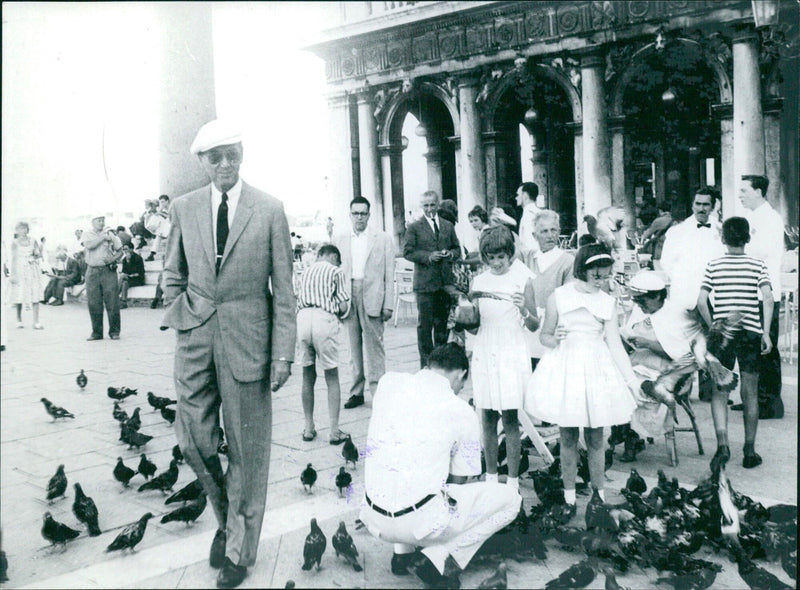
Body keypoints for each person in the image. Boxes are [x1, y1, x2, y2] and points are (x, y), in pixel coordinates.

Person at [161, 119, 296, 589]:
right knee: (193, 440)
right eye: (215, 156)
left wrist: (282, 354)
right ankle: (226, 521)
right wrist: (184, 315)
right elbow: (171, 272)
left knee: (247, 452)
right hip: (195, 340)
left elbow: (284, 290)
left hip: (249, 344)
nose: (225, 163)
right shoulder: (184, 207)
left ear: (242, 155)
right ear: (202, 161)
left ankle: (239, 549)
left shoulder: (270, 209)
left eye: (232, 153)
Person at [359, 343, 521, 589]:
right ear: (461, 374)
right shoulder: (462, 411)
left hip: (374, 519)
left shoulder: (388, 384)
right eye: (462, 384)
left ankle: (401, 553)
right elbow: (458, 481)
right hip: (419, 523)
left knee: (401, 466)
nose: (460, 389)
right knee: (511, 500)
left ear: (428, 366)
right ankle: (439, 558)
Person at [525, 244, 640, 513]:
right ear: (583, 270)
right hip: (566, 366)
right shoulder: (559, 297)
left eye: (606, 276)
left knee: (597, 435)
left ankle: (598, 494)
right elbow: (544, 336)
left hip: (596, 368)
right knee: (567, 435)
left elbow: (615, 344)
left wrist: (632, 381)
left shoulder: (607, 302)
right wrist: (556, 339)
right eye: (596, 275)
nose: (601, 281)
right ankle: (568, 495)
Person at [697, 217, 773, 470]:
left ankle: (722, 445)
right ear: (747, 238)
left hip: (723, 334)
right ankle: (749, 450)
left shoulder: (714, 265)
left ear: (723, 239)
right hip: (750, 332)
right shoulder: (757, 265)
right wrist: (765, 332)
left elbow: (701, 300)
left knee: (721, 391)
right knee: (750, 391)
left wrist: (712, 326)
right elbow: (768, 298)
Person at [470, 226, 539, 491]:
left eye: (501, 256)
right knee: (486, 415)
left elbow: (533, 325)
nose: (497, 263)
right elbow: (475, 325)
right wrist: (464, 317)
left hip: (511, 348)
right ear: (484, 257)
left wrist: (523, 308)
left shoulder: (524, 280)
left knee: (510, 417)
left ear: (510, 254)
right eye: (491, 257)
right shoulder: (479, 282)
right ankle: (489, 477)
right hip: (486, 348)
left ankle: (512, 480)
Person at [618, 271, 707, 461]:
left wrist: (650, 344)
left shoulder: (677, 314)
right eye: (637, 302)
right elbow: (627, 335)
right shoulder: (640, 311)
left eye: (643, 301)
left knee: (637, 386)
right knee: (619, 380)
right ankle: (627, 432)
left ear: (657, 296)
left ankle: (630, 435)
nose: (640, 306)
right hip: (640, 363)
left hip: (672, 371)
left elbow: (686, 357)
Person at [333, 196, 394, 410]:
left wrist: (389, 304)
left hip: (373, 296)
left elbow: (389, 272)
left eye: (363, 213)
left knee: (375, 347)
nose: (359, 217)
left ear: (369, 215)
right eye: (355, 213)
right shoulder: (340, 238)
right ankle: (356, 391)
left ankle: (379, 392)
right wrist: (336, 300)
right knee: (353, 348)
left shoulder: (382, 238)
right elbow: (334, 271)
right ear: (349, 215)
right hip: (348, 295)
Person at [738, 174, 784, 420]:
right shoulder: (750, 217)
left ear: (758, 191)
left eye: (744, 190)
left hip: (765, 292)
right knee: (749, 347)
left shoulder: (771, 219)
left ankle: (770, 402)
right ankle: (751, 397)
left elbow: (762, 251)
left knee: (767, 347)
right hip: (748, 291)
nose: (740, 195)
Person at [296, 244, 350, 444]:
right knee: (331, 375)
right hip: (323, 319)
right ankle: (334, 431)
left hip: (302, 319)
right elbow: (344, 305)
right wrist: (340, 310)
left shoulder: (305, 271)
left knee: (307, 375)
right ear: (333, 256)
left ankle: (308, 428)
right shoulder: (336, 271)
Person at [403, 190, 461, 368]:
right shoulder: (414, 227)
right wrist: (428, 256)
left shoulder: (447, 226)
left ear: (437, 205)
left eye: (432, 205)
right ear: (422, 206)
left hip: (444, 284)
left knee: (442, 326)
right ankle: (426, 366)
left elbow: (457, 248)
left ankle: (441, 365)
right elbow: (408, 252)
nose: (429, 209)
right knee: (425, 327)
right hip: (425, 286)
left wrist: (449, 254)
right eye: (426, 205)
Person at [524, 210, 575, 372]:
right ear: (534, 235)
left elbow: (568, 297)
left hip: (553, 327)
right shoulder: (527, 258)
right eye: (544, 231)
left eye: (554, 230)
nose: (550, 235)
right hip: (529, 326)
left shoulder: (568, 261)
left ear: (559, 232)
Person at [660, 186, 724, 311]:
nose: (701, 209)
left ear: (712, 207)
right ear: (692, 206)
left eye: (706, 205)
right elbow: (666, 263)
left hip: (716, 296)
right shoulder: (677, 232)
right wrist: (684, 280)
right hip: (687, 295)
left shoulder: (722, 230)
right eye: (698, 204)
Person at [82, 214, 123, 340]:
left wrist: (112, 259)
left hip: (107, 271)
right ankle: (97, 332)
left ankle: (114, 331)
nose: (101, 222)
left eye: (103, 220)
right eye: (98, 220)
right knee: (94, 302)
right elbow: (89, 245)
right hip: (92, 270)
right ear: (92, 222)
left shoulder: (111, 234)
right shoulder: (87, 234)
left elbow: (120, 251)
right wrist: (103, 237)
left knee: (112, 301)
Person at [9, 221, 44, 329]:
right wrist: (13, 274)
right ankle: (19, 320)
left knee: (35, 293)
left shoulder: (33, 240)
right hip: (20, 271)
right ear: (17, 230)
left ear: (27, 229)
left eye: (25, 228)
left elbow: (38, 254)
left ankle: (36, 321)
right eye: (20, 229)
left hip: (32, 270)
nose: (23, 231)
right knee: (20, 295)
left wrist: (34, 257)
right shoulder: (14, 242)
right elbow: (14, 259)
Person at [515, 182, 541, 258]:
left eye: (518, 195)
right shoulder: (538, 212)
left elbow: (530, 244)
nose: (516, 198)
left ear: (525, 195)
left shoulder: (528, 215)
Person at [118, 243, 145, 309]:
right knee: (124, 283)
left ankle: (114, 296)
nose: (125, 251)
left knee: (123, 278)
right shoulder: (124, 259)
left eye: (126, 249)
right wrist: (127, 261)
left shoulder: (138, 258)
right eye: (124, 249)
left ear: (131, 249)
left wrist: (129, 262)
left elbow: (140, 272)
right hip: (128, 279)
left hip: (138, 279)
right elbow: (124, 271)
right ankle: (124, 302)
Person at [145, 194, 171, 262]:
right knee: (158, 236)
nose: (161, 203)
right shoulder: (163, 208)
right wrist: (160, 211)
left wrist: (161, 213)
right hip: (166, 228)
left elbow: (172, 217)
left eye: (163, 202)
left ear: (167, 201)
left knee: (159, 232)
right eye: (160, 202)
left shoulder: (172, 207)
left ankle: (153, 230)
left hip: (173, 226)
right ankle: (152, 254)